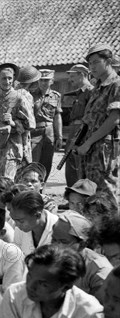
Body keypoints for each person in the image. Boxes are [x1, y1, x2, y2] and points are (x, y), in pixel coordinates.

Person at [76, 43, 120, 204]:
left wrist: (88, 143)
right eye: (90, 63)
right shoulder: (97, 87)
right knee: (90, 196)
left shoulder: (116, 84)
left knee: (107, 195)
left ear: (108, 61)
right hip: (91, 148)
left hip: (104, 150)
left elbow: (114, 119)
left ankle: (114, 229)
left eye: (95, 62)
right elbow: (89, 119)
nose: (91, 67)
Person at [0, 63, 35, 180]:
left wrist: (13, 123)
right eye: (4, 78)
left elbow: (30, 124)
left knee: (6, 182)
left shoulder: (19, 98)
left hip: (11, 148)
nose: (7, 81)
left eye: (10, 78)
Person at [52, 211, 112, 303]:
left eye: (63, 242)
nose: (56, 246)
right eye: (54, 240)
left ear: (82, 244)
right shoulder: (51, 260)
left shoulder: (99, 271)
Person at [64, 64, 94, 187]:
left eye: (72, 76)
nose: (70, 80)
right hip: (74, 129)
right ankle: (72, 195)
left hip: (83, 130)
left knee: (80, 164)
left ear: (82, 75)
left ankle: (82, 197)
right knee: (70, 162)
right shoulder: (79, 93)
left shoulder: (91, 91)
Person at [30, 69, 63, 181]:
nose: (44, 83)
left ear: (52, 81)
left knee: (46, 163)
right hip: (34, 131)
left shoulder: (56, 96)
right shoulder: (31, 95)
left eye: (47, 80)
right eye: (41, 80)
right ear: (38, 81)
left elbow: (57, 116)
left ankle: (42, 188)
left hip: (49, 132)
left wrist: (59, 136)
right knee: (33, 162)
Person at [10, 190, 58, 257]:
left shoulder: (59, 229)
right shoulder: (20, 229)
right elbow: (16, 256)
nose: (17, 225)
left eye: (21, 221)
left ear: (37, 215)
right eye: (14, 220)